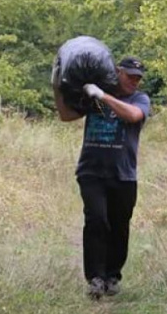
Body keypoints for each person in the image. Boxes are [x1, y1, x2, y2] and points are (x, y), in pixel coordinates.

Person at [54, 56, 151, 299]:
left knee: (119, 226)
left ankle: (112, 276)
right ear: (118, 72)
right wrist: (57, 87)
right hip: (92, 172)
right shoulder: (96, 100)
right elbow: (67, 116)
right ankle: (95, 279)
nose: (134, 81)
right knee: (96, 220)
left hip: (124, 175)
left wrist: (103, 96)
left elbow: (133, 116)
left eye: (138, 78)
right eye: (130, 76)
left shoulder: (139, 99)